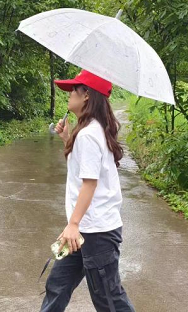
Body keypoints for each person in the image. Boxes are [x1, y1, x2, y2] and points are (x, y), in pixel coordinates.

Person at [41, 70, 135, 311]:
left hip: (96, 232)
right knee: (57, 285)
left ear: (86, 95)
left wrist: (72, 224)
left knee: (109, 299)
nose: (69, 94)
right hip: (82, 230)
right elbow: (84, 169)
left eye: (73, 89)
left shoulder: (89, 135)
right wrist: (66, 138)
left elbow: (89, 184)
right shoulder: (88, 131)